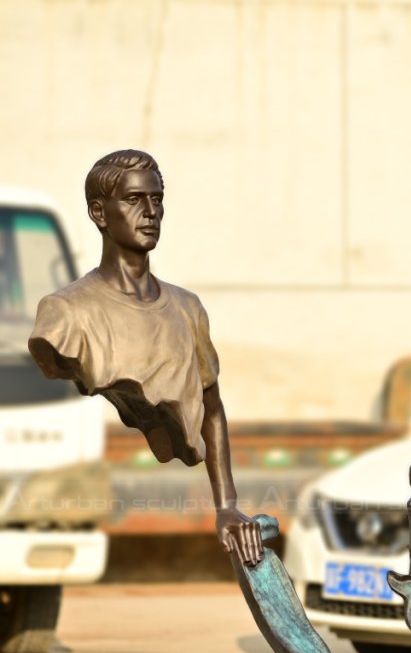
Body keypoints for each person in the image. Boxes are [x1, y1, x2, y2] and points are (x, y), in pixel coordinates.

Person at [28, 149, 262, 565]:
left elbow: (212, 407)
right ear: (100, 212)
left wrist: (226, 503)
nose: (151, 211)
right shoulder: (67, 313)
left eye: (157, 200)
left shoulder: (187, 308)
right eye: (134, 200)